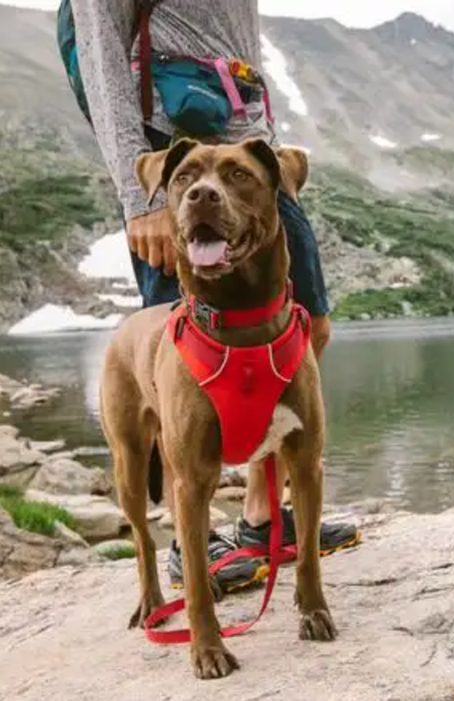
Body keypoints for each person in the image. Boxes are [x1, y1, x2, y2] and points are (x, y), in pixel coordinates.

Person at [70, 0, 359, 594]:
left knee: (308, 327)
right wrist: (141, 196)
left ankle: (259, 515)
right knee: (182, 373)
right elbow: (101, 55)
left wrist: (268, 150)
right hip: (170, 152)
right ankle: (187, 544)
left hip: (249, 149)